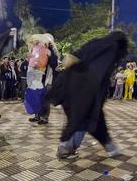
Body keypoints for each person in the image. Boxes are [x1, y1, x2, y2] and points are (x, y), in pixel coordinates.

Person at [46, 31, 128, 159]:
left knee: (84, 119)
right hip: (89, 91)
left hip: (76, 87)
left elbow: (70, 59)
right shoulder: (113, 49)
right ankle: (66, 148)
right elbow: (100, 72)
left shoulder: (95, 43)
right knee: (85, 119)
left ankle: (110, 148)